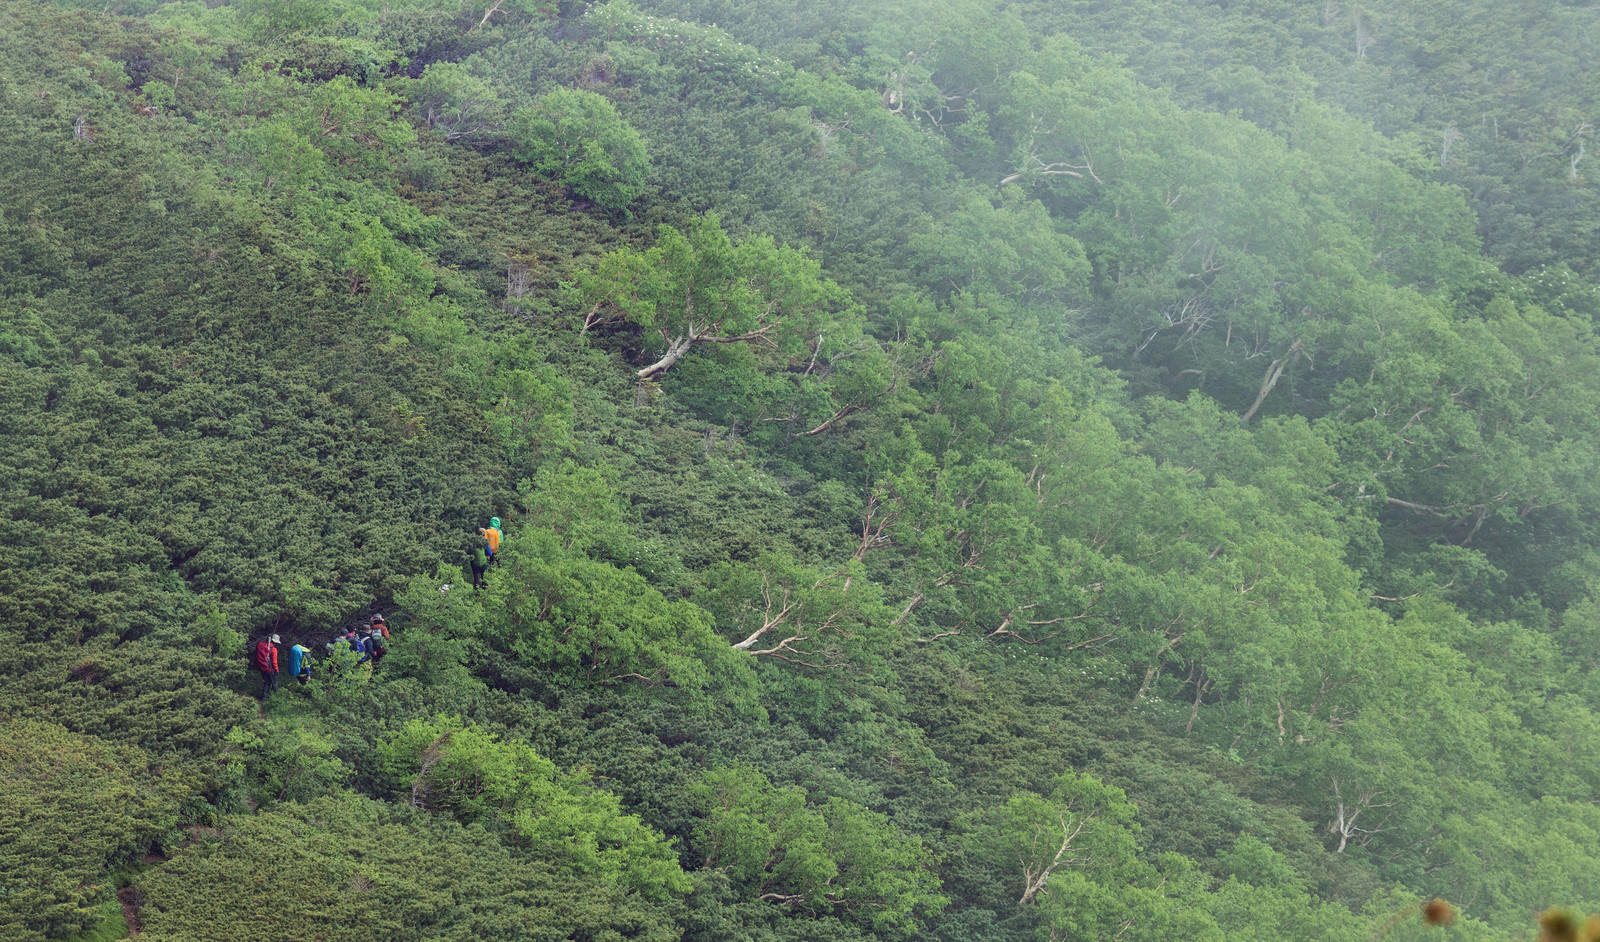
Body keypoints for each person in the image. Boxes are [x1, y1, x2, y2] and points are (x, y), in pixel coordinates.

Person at [253, 634, 280, 699]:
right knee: (274, 683)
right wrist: (276, 670)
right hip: (270, 669)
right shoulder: (273, 649)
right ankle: (277, 698)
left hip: (262, 667)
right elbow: (274, 662)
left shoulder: (260, 645)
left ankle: (264, 698)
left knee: (267, 682)